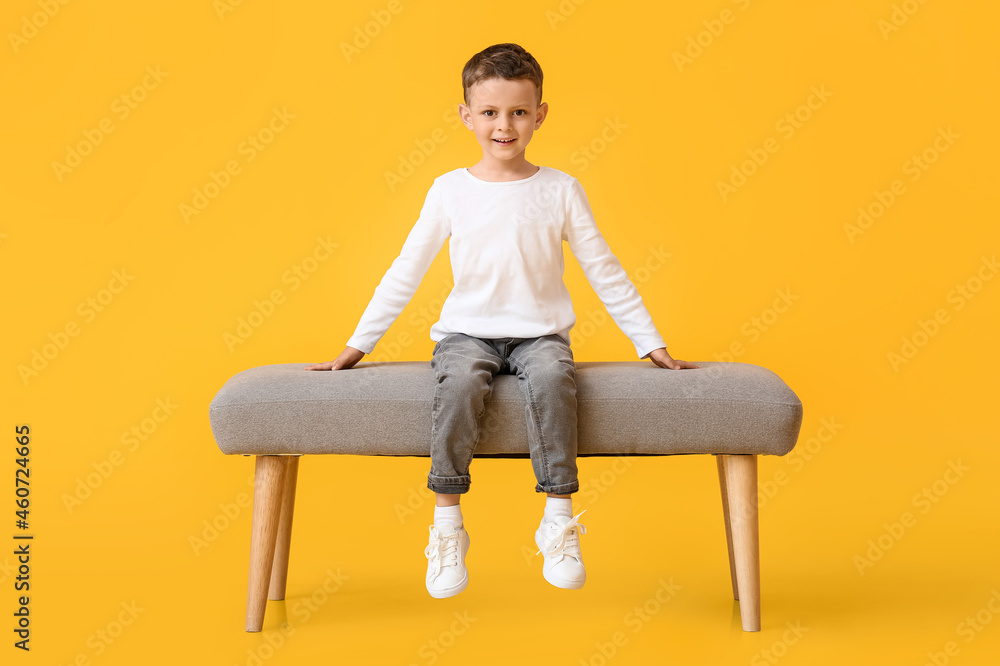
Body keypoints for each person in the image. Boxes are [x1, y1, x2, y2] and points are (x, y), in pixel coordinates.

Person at [306, 42, 699, 599]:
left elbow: (603, 269)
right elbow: (405, 271)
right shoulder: (449, 191)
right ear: (467, 116)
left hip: (540, 334)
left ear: (540, 113)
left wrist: (650, 342)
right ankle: (447, 527)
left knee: (553, 378)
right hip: (468, 333)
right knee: (461, 380)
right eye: (489, 112)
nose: (504, 125)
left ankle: (558, 519)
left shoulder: (560, 189)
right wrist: (357, 344)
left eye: (518, 111)